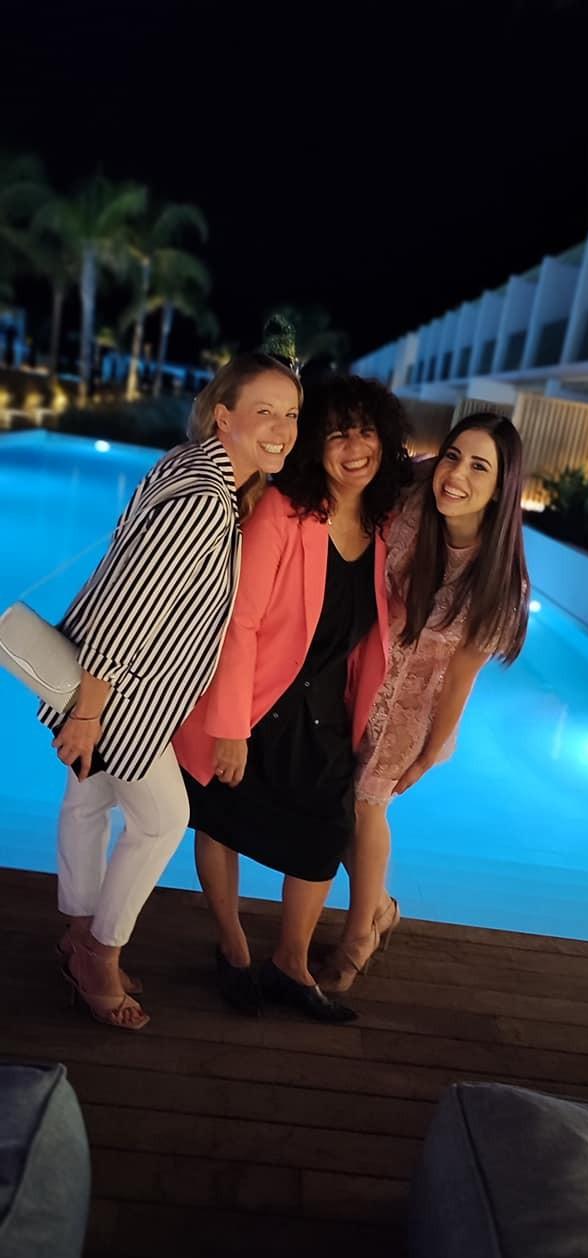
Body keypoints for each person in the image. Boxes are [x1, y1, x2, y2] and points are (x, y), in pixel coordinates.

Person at [39, 353, 302, 1031]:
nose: (282, 428)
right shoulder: (204, 501)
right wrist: (89, 712)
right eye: (265, 411)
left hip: (111, 686)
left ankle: (78, 935)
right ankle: (100, 954)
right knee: (161, 820)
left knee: (89, 801)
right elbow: (128, 605)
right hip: (122, 694)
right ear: (225, 416)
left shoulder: (195, 468)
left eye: (291, 414)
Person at [174, 375, 413, 1023]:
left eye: (365, 431)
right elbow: (241, 622)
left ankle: (289, 962)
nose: (354, 447)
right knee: (220, 819)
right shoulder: (283, 510)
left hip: (325, 712)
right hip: (256, 705)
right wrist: (229, 727)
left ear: (385, 439)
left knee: (323, 837)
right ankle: (232, 947)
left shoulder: (383, 524)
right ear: (314, 446)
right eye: (336, 434)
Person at [319, 411, 531, 992]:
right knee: (335, 803)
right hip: (357, 675)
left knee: (366, 808)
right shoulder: (415, 495)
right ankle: (380, 906)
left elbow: (461, 677)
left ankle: (359, 934)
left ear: (502, 487)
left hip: (413, 707)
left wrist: (430, 751)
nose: (456, 475)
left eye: (480, 467)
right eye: (453, 456)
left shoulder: (499, 584)